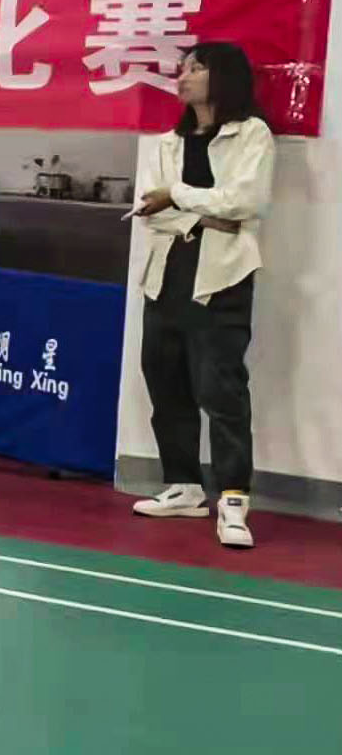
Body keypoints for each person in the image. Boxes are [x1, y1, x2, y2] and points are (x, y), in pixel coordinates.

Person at [128, 41, 274, 549]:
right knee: (165, 380)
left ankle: (233, 500)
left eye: (195, 68)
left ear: (223, 77)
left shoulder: (251, 134)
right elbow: (150, 212)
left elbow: (246, 202)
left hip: (222, 277)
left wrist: (177, 195)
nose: (183, 76)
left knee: (221, 390)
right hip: (167, 273)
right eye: (182, 68)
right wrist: (204, 213)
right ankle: (184, 486)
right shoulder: (168, 142)